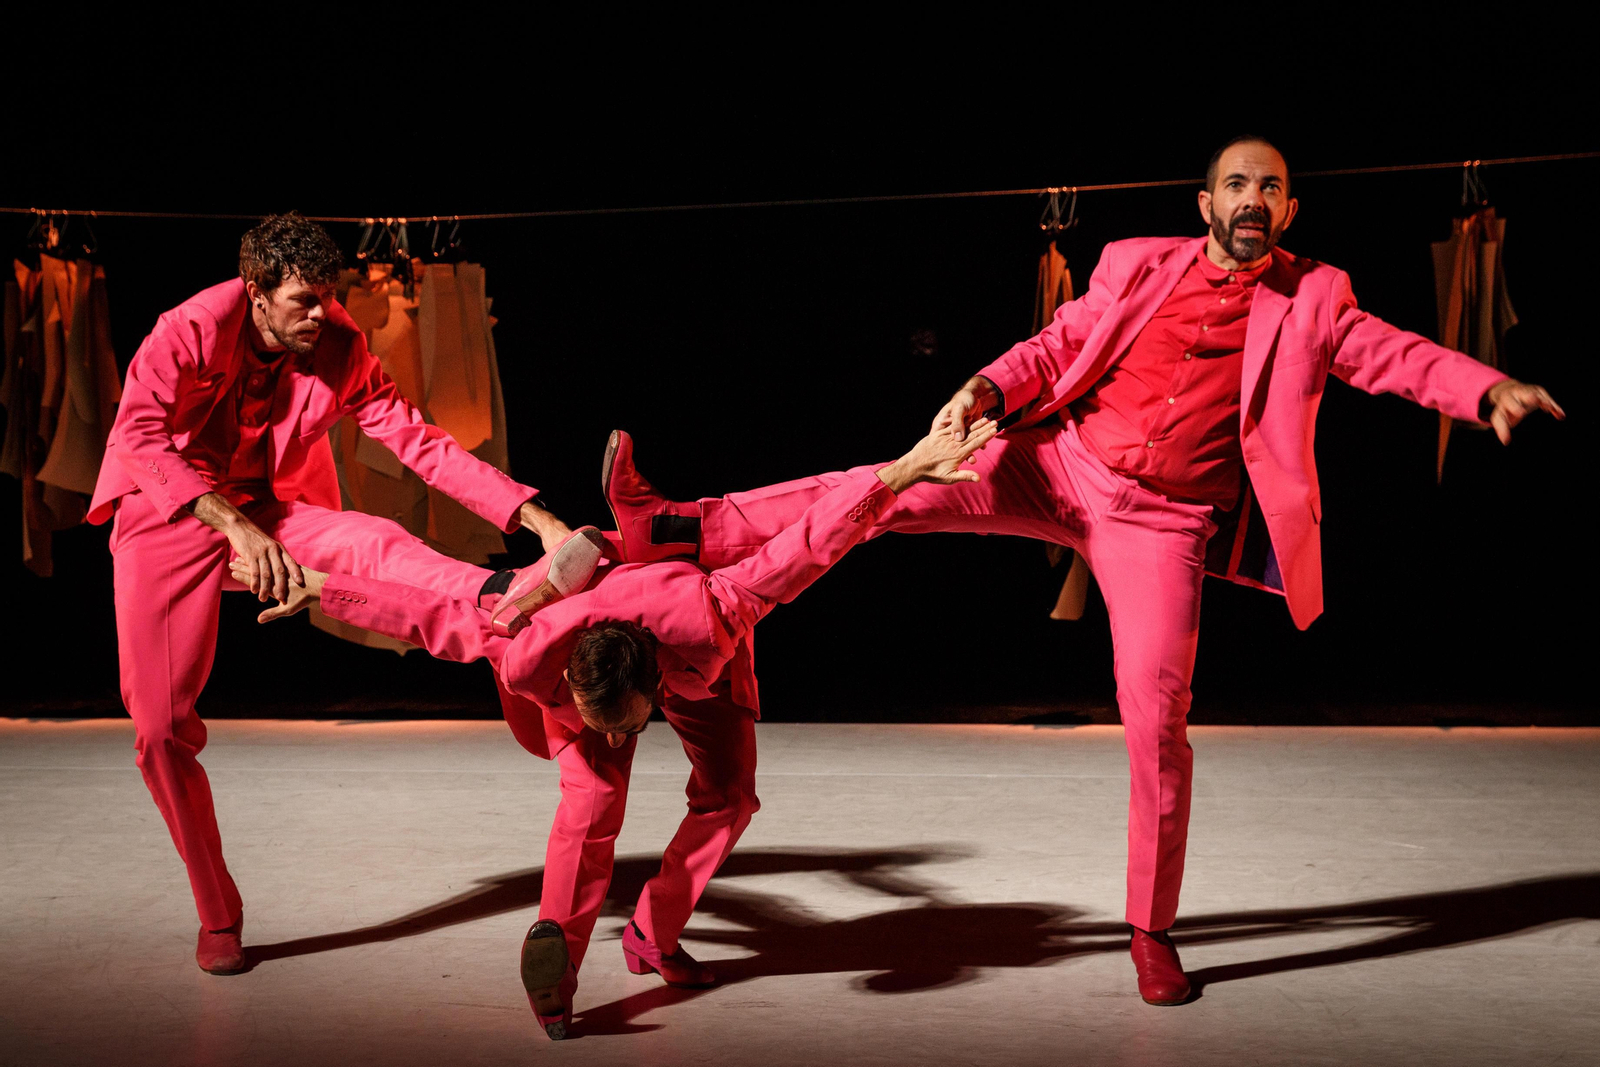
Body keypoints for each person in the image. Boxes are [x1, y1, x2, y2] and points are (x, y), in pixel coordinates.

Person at [601, 136, 1566, 1006]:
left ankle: (1151, 931)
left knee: (1158, 721)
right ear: (1204, 202)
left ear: (1289, 210)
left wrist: (1486, 391)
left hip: (1164, 524)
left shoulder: (1316, 295)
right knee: (880, 489)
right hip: (1060, 465)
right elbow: (1059, 344)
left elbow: (1386, 354)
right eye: (1236, 183)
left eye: (1270, 187)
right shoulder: (1133, 262)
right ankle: (677, 524)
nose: (1252, 199)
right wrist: (986, 386)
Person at [240, 418, 999, 1039]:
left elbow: (810, 540)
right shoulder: (532, 640)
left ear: (650, 690)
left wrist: (901, 470)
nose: (618, 738)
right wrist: (321, 589)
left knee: (731, 794)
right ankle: (555, 974)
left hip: (691, 645)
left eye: (626, 726)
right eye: (611, 727)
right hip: (577, 627)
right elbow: (428, 615)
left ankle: (651, 934)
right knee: (591, 804)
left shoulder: (714, 614)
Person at [87, 213, 574, 975]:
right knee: (159, 729)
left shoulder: (337, 339)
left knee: (376, 543)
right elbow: (137, 439)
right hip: (166, 515)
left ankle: (503, 611)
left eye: (327, 295)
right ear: (255, 293)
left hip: (263, 504)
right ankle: (218, 910)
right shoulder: (182, 329)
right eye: (303, 300)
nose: (323, 313)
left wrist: (532, 516)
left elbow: (417, 438)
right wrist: (233, 528)